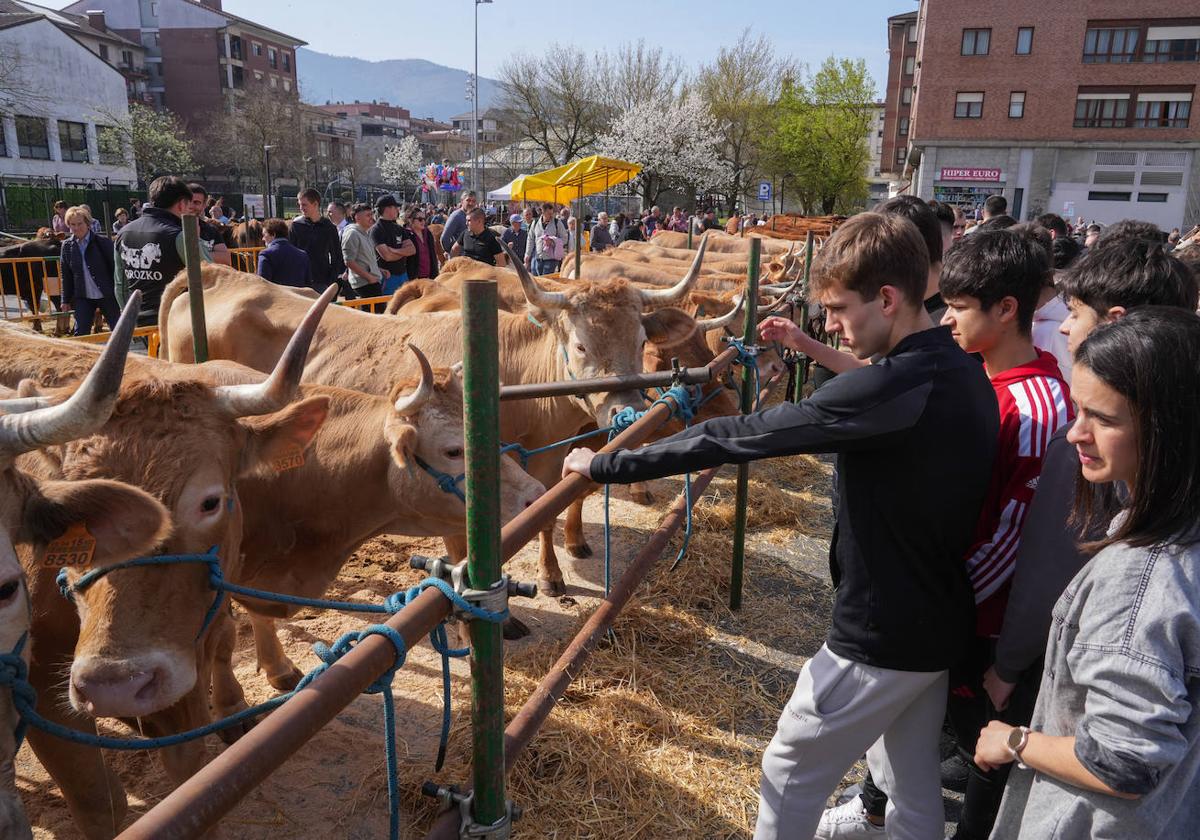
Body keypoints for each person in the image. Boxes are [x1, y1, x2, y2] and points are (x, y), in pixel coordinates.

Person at [562, 212, 1000, 840]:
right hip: (937, 619)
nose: (831, 324)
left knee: (788, 766)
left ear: (888, 298)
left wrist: (609, 463)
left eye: (839, 308)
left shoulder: (894, 386)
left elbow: (737, 433)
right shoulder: (956, 368)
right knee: (909, 781)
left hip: (881, 631)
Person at [981, 307, 1200, 840]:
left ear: (1167, 426)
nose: (1075, 432)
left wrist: (1014, 742)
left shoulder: (1142, 574)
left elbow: (1123, 761)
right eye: (1078, 410)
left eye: (1102, 418)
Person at [114, 175, 212, 324]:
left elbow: (120, 283)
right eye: (187, 205)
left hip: (139, 320)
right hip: (178, 322)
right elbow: (210, 276)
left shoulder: (122, 233)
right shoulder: (180, 235)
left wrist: (127, 316)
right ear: (181, 205)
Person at [59, 205, 119, 336]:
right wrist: (65, 300)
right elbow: (66, 275)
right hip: (83, 296)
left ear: (87, 223)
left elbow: (115, 269)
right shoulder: (67, 246)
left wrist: (120, 294)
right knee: (80, 332)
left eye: (79, 223)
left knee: (118, 330)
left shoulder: (103, 242)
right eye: (72, 224)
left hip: (107, 295)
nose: (76, 228)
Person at [289, 187, 345, 293]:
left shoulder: (329, 227)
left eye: (304, 205)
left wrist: (331, 280)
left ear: (315, 204)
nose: (301, 208)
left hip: (322, 282)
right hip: (300, 282)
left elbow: (337, 256)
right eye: (299, 204)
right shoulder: (296, 226)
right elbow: (291, 253)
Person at [368, 195, 416, 294]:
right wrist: (403, 252)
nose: (397, 210)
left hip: (403, 275)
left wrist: (394, 250)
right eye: (395, 207)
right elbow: (387, 256)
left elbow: (412, 250)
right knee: (389, 307)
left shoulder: (398, 228)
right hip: (387, 277)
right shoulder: (376, 230)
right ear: (388, 208)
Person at [340, 202, 384, 299]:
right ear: (357, 217)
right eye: (368, 215)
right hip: (364, 285)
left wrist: (379, 270)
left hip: (371, 282)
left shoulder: (365, 233)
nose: (371, 218)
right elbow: (349, 261)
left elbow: (363, 260)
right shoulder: (352, 234)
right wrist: (370, 277)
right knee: (373, 313)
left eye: (371, 214)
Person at [256, 218, 311, 288]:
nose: (263, 239)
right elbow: (308, 284)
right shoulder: (303, 255)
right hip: (299, 297)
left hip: (277, 297)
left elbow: (262, 284)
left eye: (264, 235)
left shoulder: (266, 254)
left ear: (273, 234)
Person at [187, 183, 231, 265]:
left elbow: (226, 259)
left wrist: (195, 256)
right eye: (188, 201)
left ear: (204, 206)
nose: (191, 206)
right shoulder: (173, 227)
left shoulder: (211, 230)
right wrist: (210, 255)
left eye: (196, 203)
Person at [525, 202, 569, 275]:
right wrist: (527, 254)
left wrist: (553, 242)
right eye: (549, 214)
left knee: (546, 280)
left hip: (551, 259)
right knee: (537, 280)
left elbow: (565, 238)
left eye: (552, 213)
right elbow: (530, 239)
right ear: (543, 212)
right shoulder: (535, 223)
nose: (551, 216)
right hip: (537, 257)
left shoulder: (557, 222)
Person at [404, 204, 439, 280]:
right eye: (420, 219)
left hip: (430, 276)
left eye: (424, 218)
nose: (423, 221)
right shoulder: (406, 234)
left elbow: (433, 255)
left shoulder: (428, 233)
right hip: (414, 278)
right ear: (410, 220)